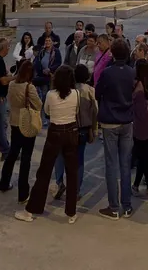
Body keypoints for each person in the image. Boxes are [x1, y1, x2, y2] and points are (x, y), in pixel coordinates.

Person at [15, 65, 80, 224]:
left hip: (55, 131)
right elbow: (77, 111)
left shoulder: (51, 95)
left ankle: (32, 210)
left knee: (44, 172)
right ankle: (71, 212)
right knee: (72, 173)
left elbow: (47, 112)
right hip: (72, 131)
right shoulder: (76, 94)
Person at [95, 38, 136, 220]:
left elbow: (98, 93)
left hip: (110, 121)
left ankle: (113, 207)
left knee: (111, 165)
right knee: (125, 164)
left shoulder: (108, 72)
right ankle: (126, 206)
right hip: (127, 121)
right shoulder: (131, 72)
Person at [0, 59, 42, 203]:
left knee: (12, 153)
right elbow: (38, 104)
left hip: (14, 121)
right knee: (26, 157)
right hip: (27, 122)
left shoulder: (12, 84)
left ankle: (4, 183)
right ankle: (23, 193)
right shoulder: (29, 87)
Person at [54, 63, 99, 200]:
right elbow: (95, 112)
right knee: (78, 160)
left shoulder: (68, 90)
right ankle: (75, 190)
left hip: (67, 127)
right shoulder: (90, 91)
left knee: (61, 156)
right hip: (83, 129)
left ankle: (59, 182)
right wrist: (94, 129)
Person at [132, 59, 148, 198]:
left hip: (139, 124)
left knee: (144, 157)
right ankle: (145, 185)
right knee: (145, 156)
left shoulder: (137, 85)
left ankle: (142, 185)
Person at [33, 35, 62, 106]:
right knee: (41, 93)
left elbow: (58, 62)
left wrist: (50, 69)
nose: (47, 42)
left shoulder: (56, 51)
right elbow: (37, 62)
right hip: (41, 75)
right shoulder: (41, 51)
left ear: (52, 42)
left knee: (46, 93)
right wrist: (42, 70)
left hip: (50, 76)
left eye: (49, 41)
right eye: (46, 41)